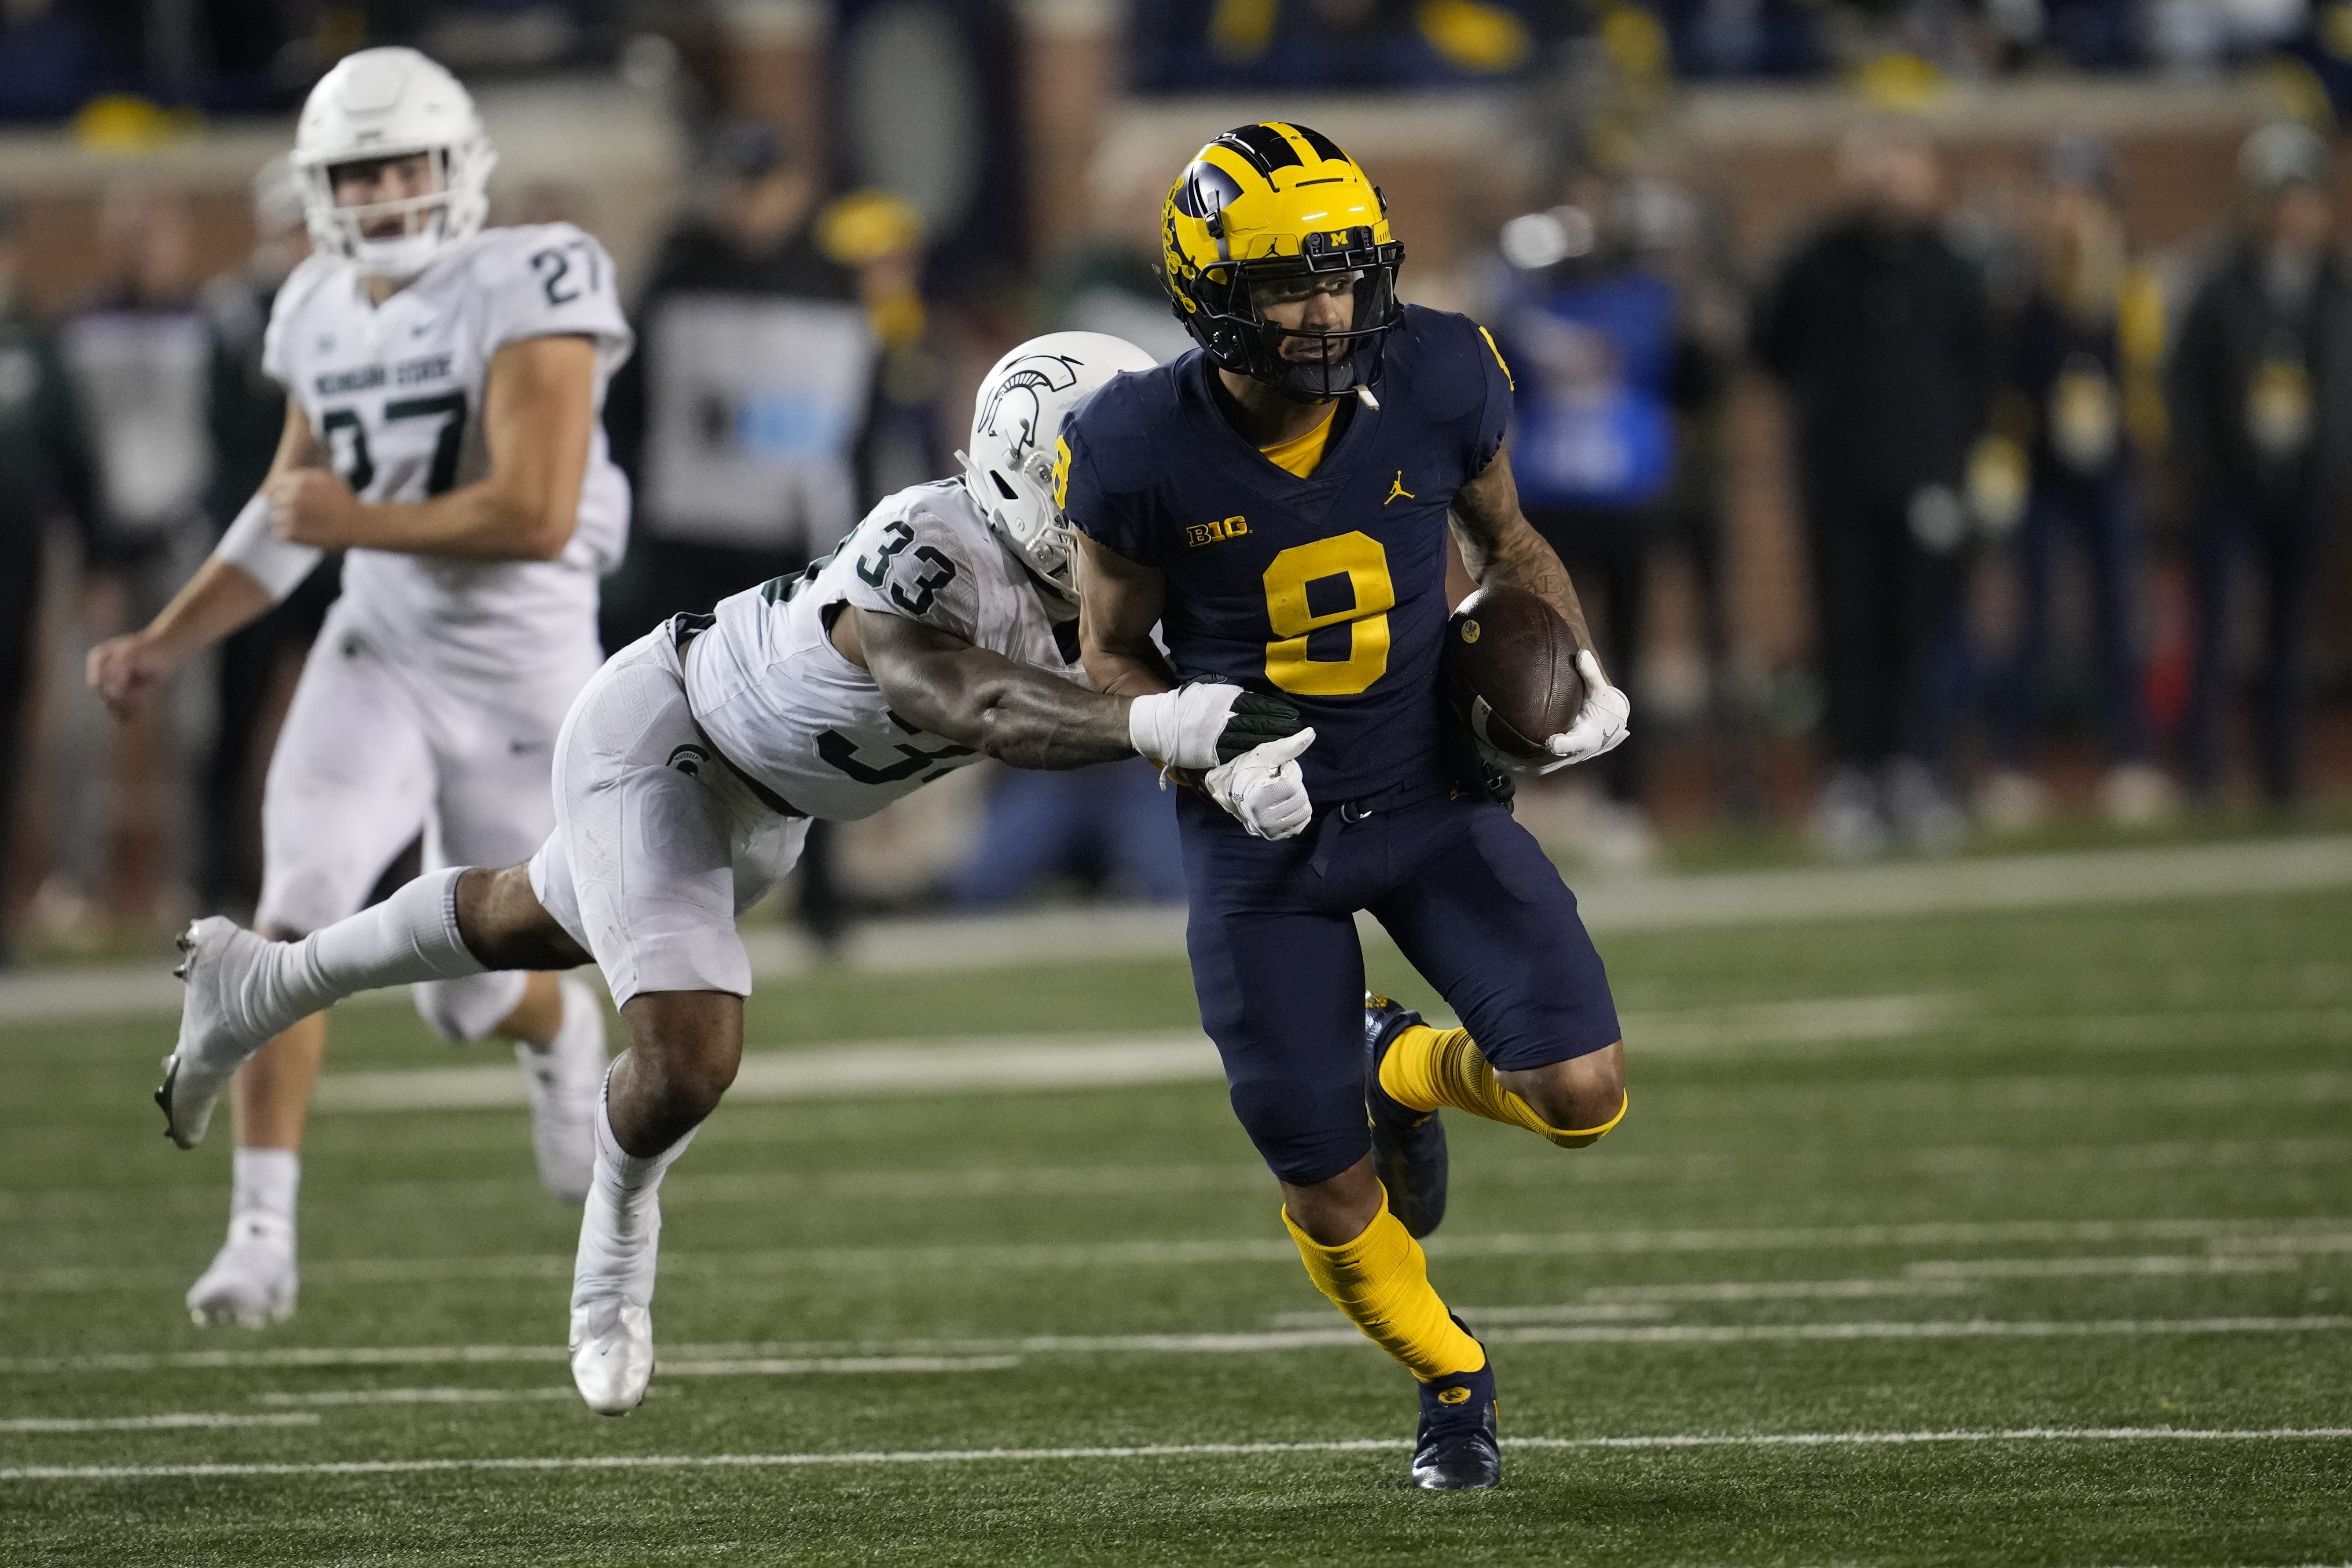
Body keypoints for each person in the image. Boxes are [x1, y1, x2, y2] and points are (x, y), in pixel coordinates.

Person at [146, 332, 1316, 1416]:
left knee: (525, 918)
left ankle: (269, 981)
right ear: (1030, 472)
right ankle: (613, 1258)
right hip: (671, 731)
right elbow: (965, 698)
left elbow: (1147, 688)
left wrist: (1235, 767)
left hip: (776, 807)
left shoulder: (1099, 576)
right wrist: (1170, 729)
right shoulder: (934, 537)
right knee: (692, 1052)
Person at [1062, 123, 1633, 1491]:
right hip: (1260, 834)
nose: (1324, 310)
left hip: (1428, 785)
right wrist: (1196, 745)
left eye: (1342, 274)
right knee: (1325, 1181)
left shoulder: (1442, 368)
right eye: (1285, 285)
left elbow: (1511, 543)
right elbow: (1108, 655)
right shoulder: (1136, 443)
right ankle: (1452, 1377)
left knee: (1582, 1093)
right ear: (1212, 297)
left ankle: (1399, 1064)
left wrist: (1562, 655)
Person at [87, 48, 625, 1328]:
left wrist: (350, 519)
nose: (385, 192)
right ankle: (260, 1234)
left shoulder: (534, 275)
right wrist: (170, 637)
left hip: (522, 672)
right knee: (293, 919)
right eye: (359, 171)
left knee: (470, 993)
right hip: (379, 651)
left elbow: (535, 513)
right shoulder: (317, 305)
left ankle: (559, 1033)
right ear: (319, 187)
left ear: (457, 169)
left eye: (405, 164)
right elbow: (291, 515)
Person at [1751, 127, 1991, 857]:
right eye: (1880, 166)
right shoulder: (1818, 261)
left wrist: (1954, 462)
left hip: (1926, 484)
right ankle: (1851, 776)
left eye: (1905, 164)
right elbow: (1771, 348)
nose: (1892, 180)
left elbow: (1982, 370)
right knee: (1846, 632)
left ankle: (1913, 769)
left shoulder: (1953, 267)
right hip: (1837, 481)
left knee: (1917, 632)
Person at [1981, 132, 2171, 832]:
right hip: (2040, 472)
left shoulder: (2127, 277)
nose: (2065, 208)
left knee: (2117, 617)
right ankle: (2012, 764)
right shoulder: (2021, 278)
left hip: (2108, 468)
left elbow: (2142, 373)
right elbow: (2005, 377)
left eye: (2077, 193)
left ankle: (2127, 758)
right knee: (2030, 620)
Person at [2167, 122, 2352, 812]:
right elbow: (2183, 382)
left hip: (2306, 484)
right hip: (2228, 483)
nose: (2290, 211)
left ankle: (2282, 770)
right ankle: (2204, 771)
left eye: (2302, 196)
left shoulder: (2334, 286)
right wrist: (2200, 468)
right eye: (2279, 196)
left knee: (2287, 632)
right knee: (2214, 628)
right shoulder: (2218, 282)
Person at [57, 181, 214, 931]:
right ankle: (79, 882)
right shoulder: (82, 328)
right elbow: (73, 452)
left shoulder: (209, 325)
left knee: (192, 725)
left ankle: (187, 884)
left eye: (157, 232)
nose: (145, 248)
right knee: (87, 724)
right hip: (105, 554)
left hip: (189, 547)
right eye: (131, 233)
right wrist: (94, 555)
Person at [198, 155, 342, 912]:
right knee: (238, 716)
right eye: (292, 227)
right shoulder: (234, 313)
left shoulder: (357, 308)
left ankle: (369, 875)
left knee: (354, 717)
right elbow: (219, 438)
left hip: (337, 552)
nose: (303, 242)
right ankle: (219, 875)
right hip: (261, 546)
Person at [0, 193, 95, 960]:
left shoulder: (36, 341)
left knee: (10, 735)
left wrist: (92, 556)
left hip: (15, 559)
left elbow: (73, 461)